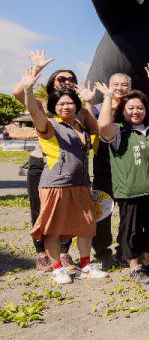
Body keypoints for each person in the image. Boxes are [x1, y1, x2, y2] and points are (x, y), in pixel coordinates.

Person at [19, 66, 106, 284]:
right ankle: (57, 267)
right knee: (53, 229)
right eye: (61, 104)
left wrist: (87, 102)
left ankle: (85, 264)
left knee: (86, 226)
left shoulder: (80, 125)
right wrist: (29, 91)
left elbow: (96, 131)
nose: (66, 106)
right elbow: (34, 112)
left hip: (81, 184)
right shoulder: (49, 125)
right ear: (54, 107)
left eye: (69, 103)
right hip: (56, 184)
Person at [95, 84, 149, 284]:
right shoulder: (118, 131)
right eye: (131, 108)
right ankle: (134, 267)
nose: (136, 111)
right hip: (130, 191)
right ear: (123, 111)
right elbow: (102, 125)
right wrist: (109, 97)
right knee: (131, 231)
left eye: (140, 108)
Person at [11, 51, 76, 272]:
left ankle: (64, 251)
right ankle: (41, 253)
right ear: (52, 84)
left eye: (70, 79)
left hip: (68, 166)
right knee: (40, 209)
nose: (66, 82)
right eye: (61, 79)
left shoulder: (79, 108)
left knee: (66, 210)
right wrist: (37, 69)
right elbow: (18, 92)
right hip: (42, 163)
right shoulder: (43, 104)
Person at [91, 72, 133, 268]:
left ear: (130, 89)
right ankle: (101, 250)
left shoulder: (134, 110)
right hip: (104, 167)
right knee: (102, 210)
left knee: (128, 211)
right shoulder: (99, 108)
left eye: (125, 85)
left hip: (128, 168)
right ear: (108, 86)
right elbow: (93, 127)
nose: (120, 87)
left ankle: (125, 249)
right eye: (115, 84)